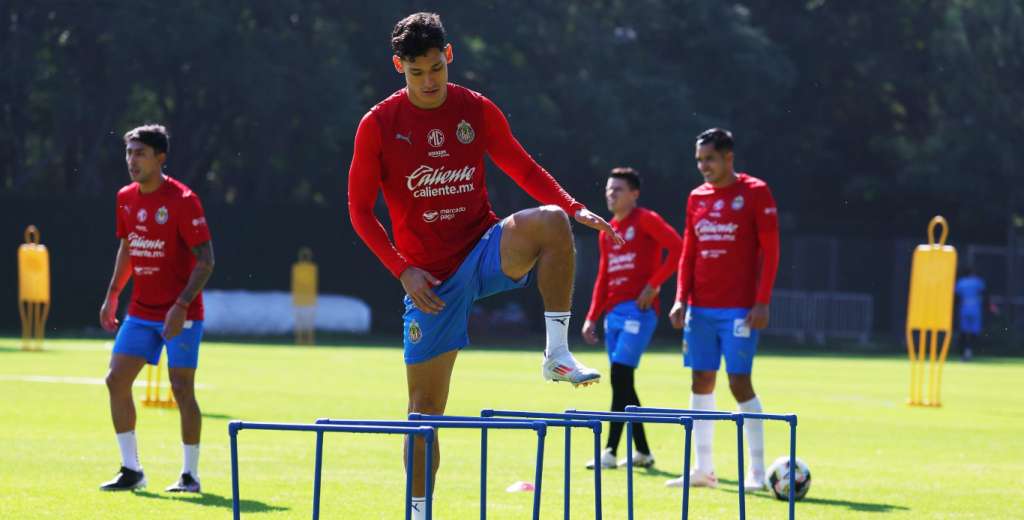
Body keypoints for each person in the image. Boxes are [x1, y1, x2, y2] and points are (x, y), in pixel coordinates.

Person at [346, 12, 621, 517]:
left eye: (435, 69)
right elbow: (359, 212)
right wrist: (402, 269)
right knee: (423, 414)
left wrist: (575, 205)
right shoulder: (378, 124)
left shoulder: (475, 108)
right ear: (398, 68)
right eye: (416, 73)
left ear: (449, 56)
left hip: (484, 248)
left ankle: (556, 353)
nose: (429, 82)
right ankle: (419, 511)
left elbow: (521, 164)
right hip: (429, 280)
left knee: (553, 221)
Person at [98, 124, 215, 493]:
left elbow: (206, 260)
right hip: (141, 311)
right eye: (129, 152)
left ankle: (190, 475)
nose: (132, 160)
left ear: (160, 158)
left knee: (181, 388)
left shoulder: (183, 200)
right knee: (116, 380)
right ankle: (131, 469)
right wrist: (113, 293)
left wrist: (181, 305)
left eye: (140, 153)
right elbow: (129, 247)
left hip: (182, 313)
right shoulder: (125, 198)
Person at [665, 128, 780, 490]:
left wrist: (762, 301)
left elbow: (772, 251)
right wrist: (680, 297)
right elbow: (688, 252)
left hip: (739, 310)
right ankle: (704, 470)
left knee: (738, 381)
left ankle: (758, 473)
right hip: (700, 309)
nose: (703, 167)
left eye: (710, 159)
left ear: (729, 157)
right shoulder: (696, 197)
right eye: (699, 160)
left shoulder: (756, 192)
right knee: (700, 379)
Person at [582, 167, 682, 470]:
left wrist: (655, 284)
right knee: (624, 382)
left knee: (620, 377)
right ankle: (643, 452)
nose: (611, 194)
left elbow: (678, 248)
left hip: (639, 313)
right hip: (613, 315)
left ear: (634, 194)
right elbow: (603, 276)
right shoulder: (607, 231)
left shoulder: (646, 220)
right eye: (609, 189)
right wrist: (591, 316)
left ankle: (610, 451)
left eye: (618, 190)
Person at [955, 267, 986, 361]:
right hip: (976, 310)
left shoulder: (961, 282)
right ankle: (969, 351)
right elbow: (984, 293)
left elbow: (956, 296)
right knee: (974, 332)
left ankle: (964, 352)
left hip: (964, 309)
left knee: (964, 332)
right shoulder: (978, 282)